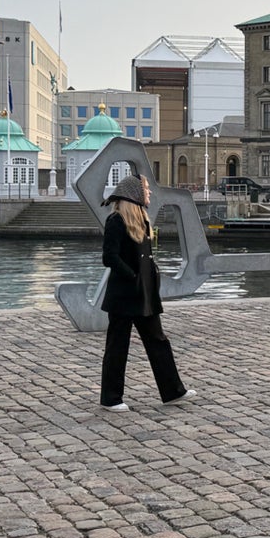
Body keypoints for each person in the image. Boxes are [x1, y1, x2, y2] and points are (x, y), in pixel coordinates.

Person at [98, 174, 195, 412]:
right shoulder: (116, 221)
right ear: (135, 195)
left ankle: (173, 391)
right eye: (146, 190)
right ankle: (110, 398)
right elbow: (109, 257)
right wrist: (132, 276)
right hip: (123, 295)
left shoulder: (142, 220)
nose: (150, 193)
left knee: (158, 341)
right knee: (117, 346)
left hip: (145, 295)